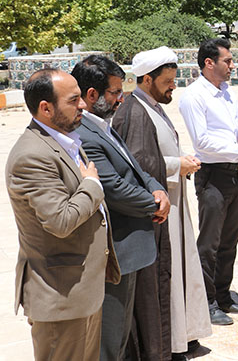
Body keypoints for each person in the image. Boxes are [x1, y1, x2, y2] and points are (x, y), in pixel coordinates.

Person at [6, 69, 120, 361]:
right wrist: (92, 185)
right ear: (46, 108)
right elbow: (61, 221)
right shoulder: (32, 155)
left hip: (81, 292)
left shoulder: (64, 139)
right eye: (73, 100)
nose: (83, 104)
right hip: (60, 297)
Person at [113, 47, 212, 360]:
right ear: (146, 79)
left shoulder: (150, 105)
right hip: (157, 210)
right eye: (167, 81)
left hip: (172, 204)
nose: (173, 86)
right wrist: (175, 165)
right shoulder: (134, 111)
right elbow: (137, 162)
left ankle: (180, 337)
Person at [72, 55, 171, 361]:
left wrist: (156, 187)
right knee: (110, 339)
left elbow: (135, 168)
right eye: (115, 92)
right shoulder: (84, 134)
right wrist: (152, 203)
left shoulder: (101, 125)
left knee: (122, 334)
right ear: (93, 95)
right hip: (117, 250)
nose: (120, 98)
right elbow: (112, 188)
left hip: (131, 248)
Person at [179, 38, 238, 325]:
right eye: (228, 60)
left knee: (230, 240)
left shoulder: (226, 92)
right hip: (213, 176)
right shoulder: (194, 96)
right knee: (209, 243)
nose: (232, 66)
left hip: (236, 173)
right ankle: (206, 300)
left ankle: (223, 294)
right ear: (209, 63)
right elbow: (202, 141)